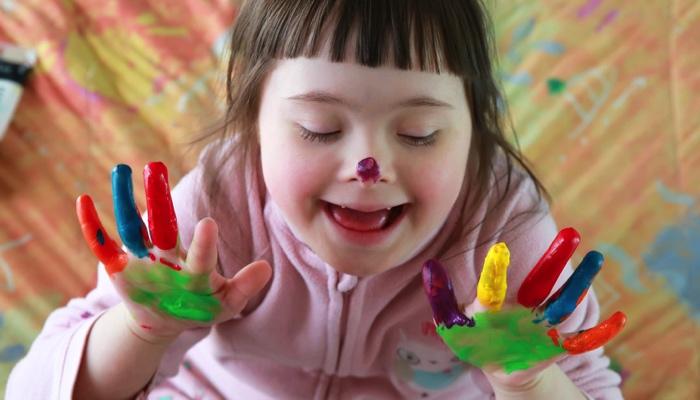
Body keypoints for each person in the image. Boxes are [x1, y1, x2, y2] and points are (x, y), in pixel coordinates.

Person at [6, 1, 624, 398]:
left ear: (474, 130)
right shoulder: (210, 218)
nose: (368, 168)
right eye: (319, 128)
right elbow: (33, 392)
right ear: (253, 124)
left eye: (419, 134)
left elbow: (587, 385)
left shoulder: (504, 240)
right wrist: (143, 329)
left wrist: (530, 380)